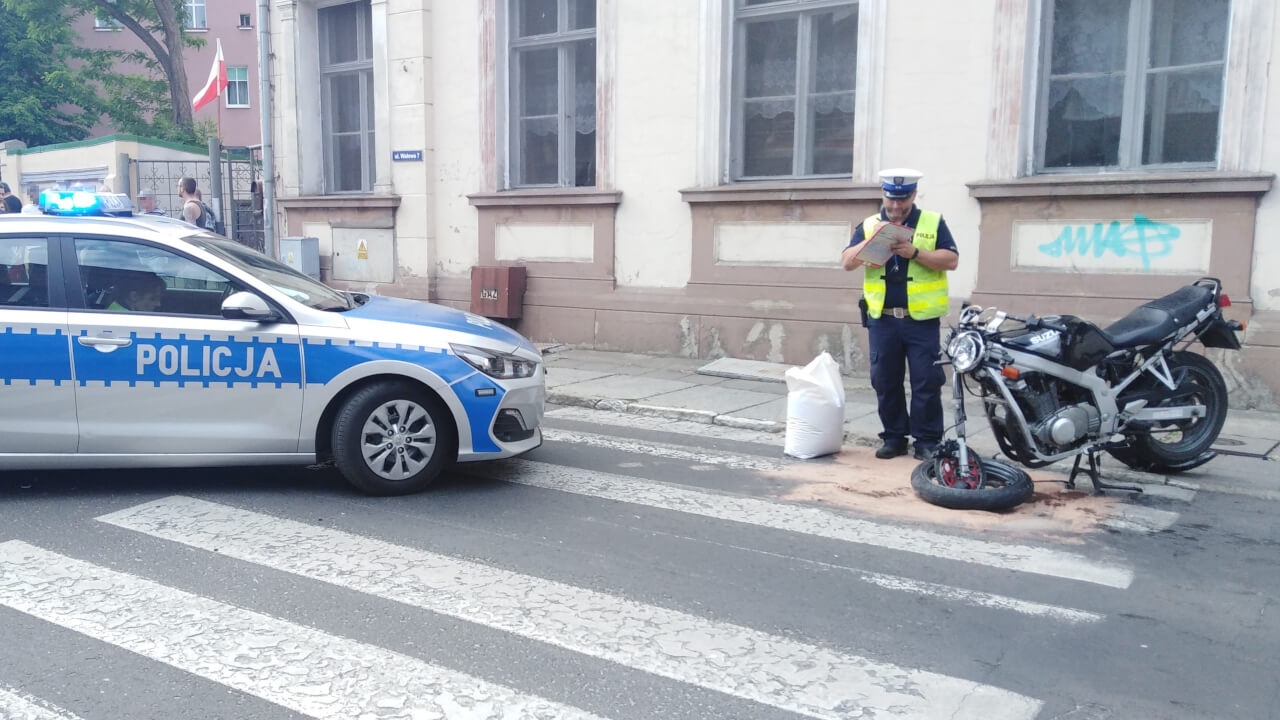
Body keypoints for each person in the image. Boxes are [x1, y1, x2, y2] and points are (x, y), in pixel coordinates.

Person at [841, 168, 959, 460]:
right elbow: (846, 262)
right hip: (882, 319)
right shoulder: (869, 225)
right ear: (883, 195)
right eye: (891, 201)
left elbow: (952, 260)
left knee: (926, 381)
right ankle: (894, 437)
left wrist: (915, 253)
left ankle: (927, 441)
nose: (895, 208)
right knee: (884, 379)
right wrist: (871, 246)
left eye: (902, 202)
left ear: (914, 196)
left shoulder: (932, 222)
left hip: (920, 320)